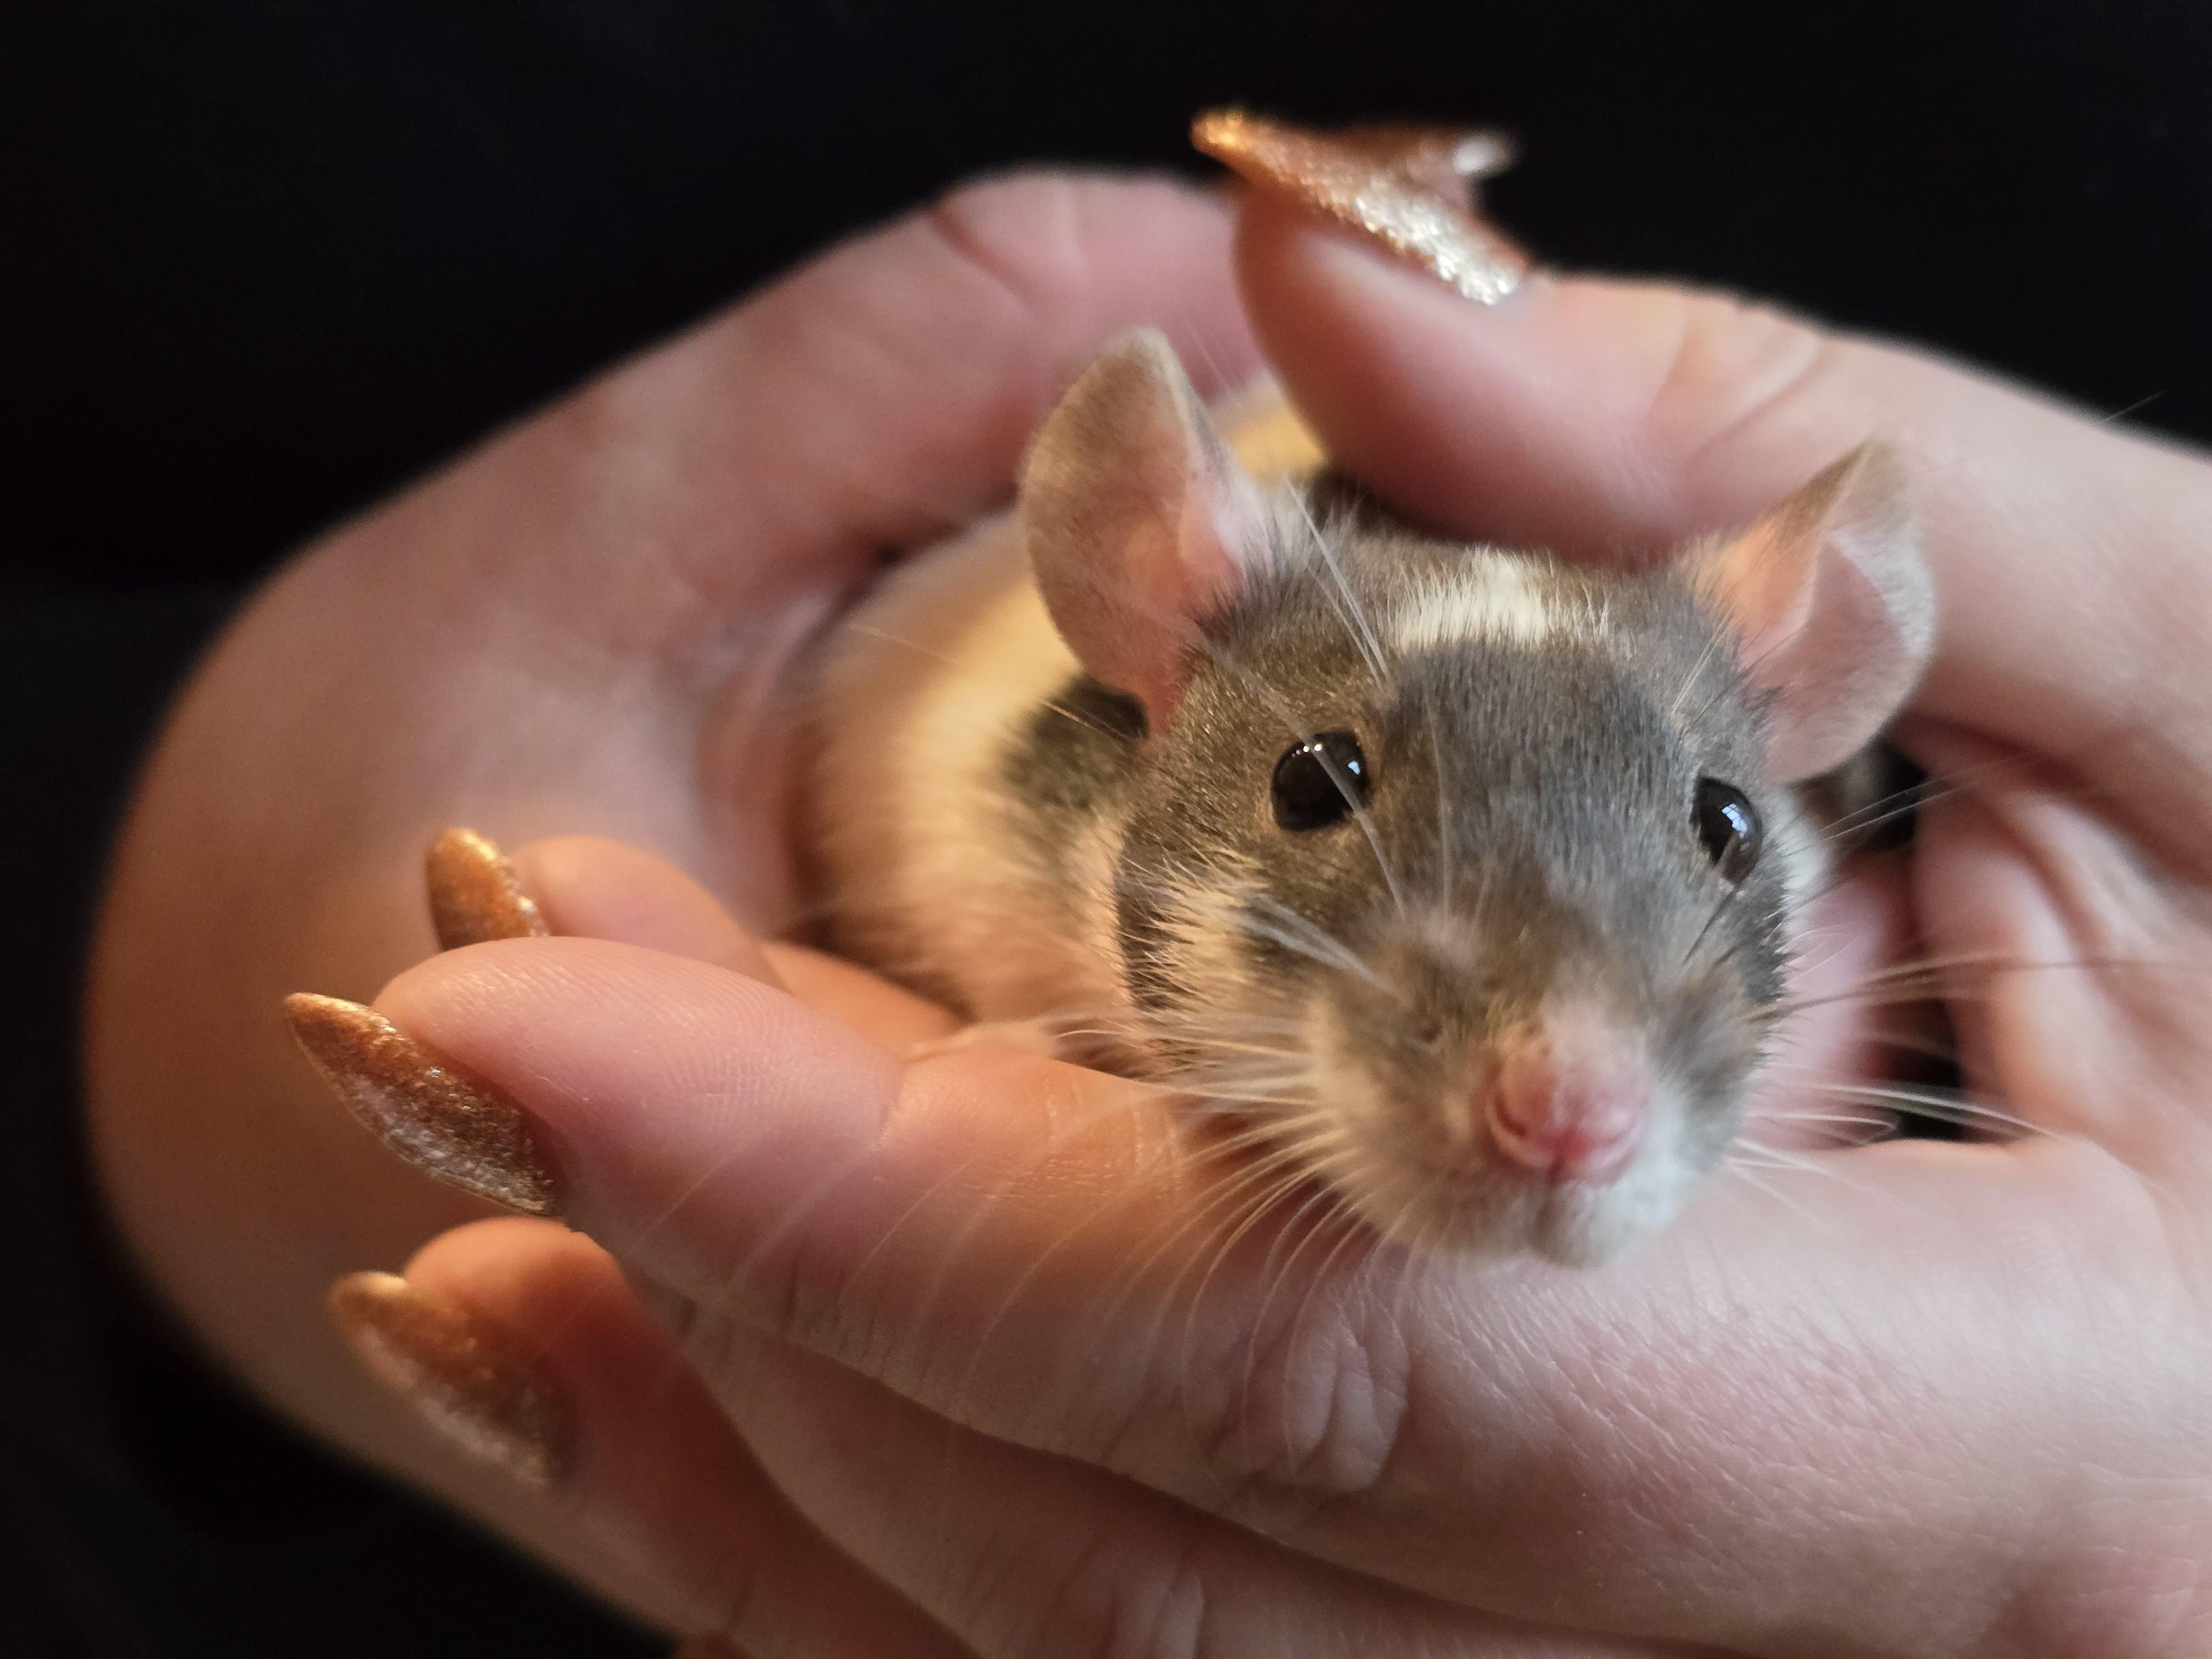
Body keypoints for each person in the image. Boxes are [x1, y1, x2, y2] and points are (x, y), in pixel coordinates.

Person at [85, 109, 2211, 1654]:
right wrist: (160, 941)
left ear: (1817, 699)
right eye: (1316, 786)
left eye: (1718, 829)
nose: (1567, 1098)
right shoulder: (1050, 733)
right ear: (1147, 609)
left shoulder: (1846, 869)